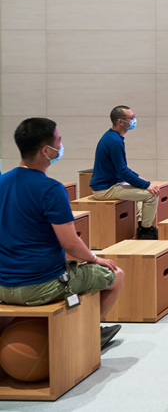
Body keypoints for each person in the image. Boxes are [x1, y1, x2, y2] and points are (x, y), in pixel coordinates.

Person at [0, 118, 125, 349]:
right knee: (116, 275)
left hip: (3, 284)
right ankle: (87, 337)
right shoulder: (51, 189)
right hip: (40, 285)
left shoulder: (2, 182)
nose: (61, 146)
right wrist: (95, 259)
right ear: (46, 150)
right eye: (59, 141)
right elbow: (70, 244)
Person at [90, 105, 160, 239]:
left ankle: (140, 225)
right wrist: (146, 185)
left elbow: (122, 169)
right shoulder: (115, 142)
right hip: (105, 189)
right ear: (120, 122)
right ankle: (146, 231)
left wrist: (139, 178)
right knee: (151, 194)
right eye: (131, 118)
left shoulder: (112, 137)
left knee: (143, 187)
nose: (134, 120)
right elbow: (122, 171)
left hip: (112, 184)